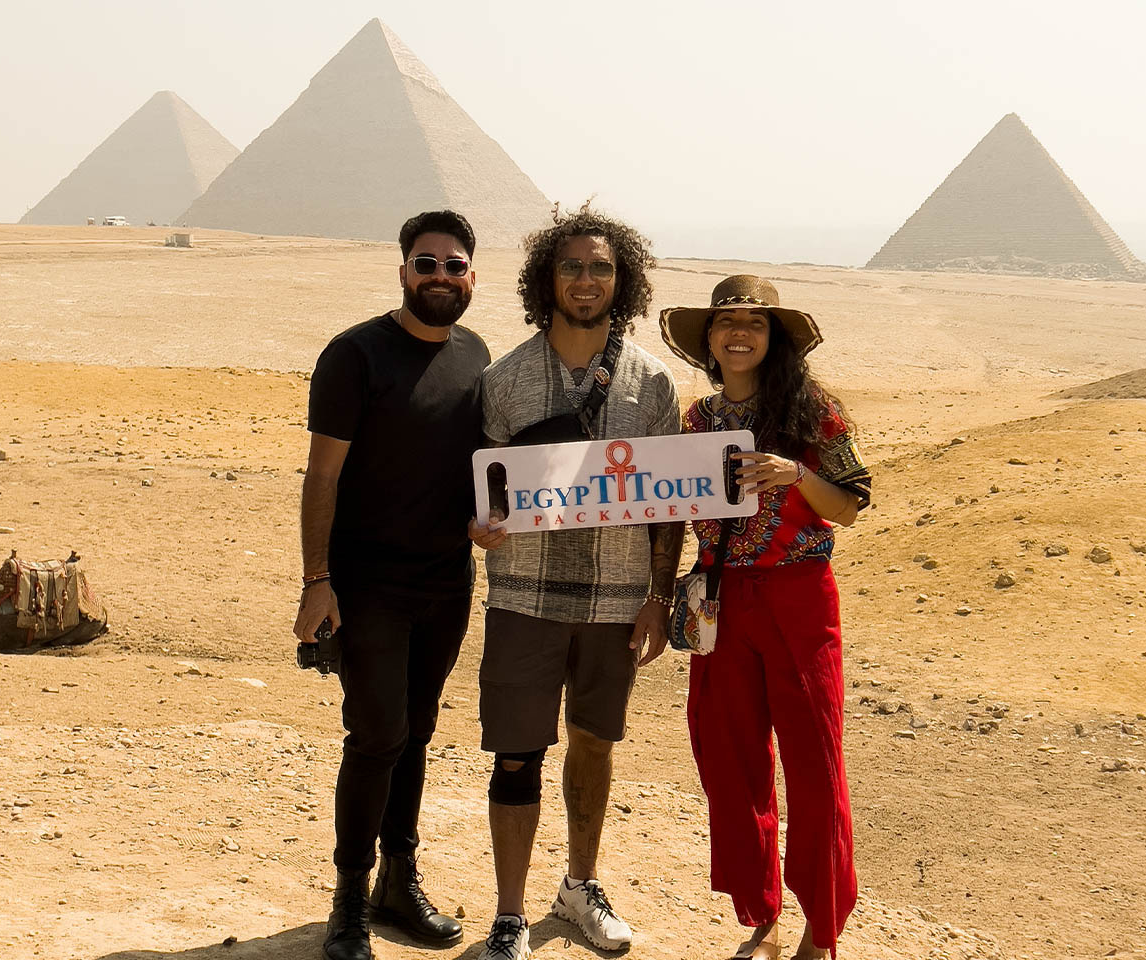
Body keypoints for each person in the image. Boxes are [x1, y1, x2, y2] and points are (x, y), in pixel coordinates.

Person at [468, 207, 683, 960]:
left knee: (594, 744)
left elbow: (671, 504)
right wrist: (482, 523)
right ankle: (508, 913)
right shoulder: (505, 381)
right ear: (545, 279)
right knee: (517, 753)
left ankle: (581, 886)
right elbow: (486, 491)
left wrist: (659, 597)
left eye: (600, 268)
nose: (585, 281)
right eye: (571, 267)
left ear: (621, 281)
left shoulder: (651, 384)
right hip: (523, 593)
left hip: (614, 598)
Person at [294, 210, 491, 960]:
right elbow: (323, 473)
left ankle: (398, 884)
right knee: (375, 735)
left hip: (447, 579)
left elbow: (479, 467)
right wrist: (318, 581)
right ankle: (349, 899)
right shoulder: (354, 354)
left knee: (416, 730)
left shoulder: (476, 354)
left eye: (454, 265)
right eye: (427, 263)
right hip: (368, 583)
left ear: (473, 276)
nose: (440, 275)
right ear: (402, 270)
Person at [659, 275, 870, 959]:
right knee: (730, 759)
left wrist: (795, 475)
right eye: (726, 324)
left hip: (798, 600)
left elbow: (850, 504)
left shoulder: (814, 414)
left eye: (754, 322)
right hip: (722, 600)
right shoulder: (695, 423)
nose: (739, 334)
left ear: (773, 337)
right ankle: (763, 914)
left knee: (814, 762)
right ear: (710, 342)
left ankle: (822, 928)